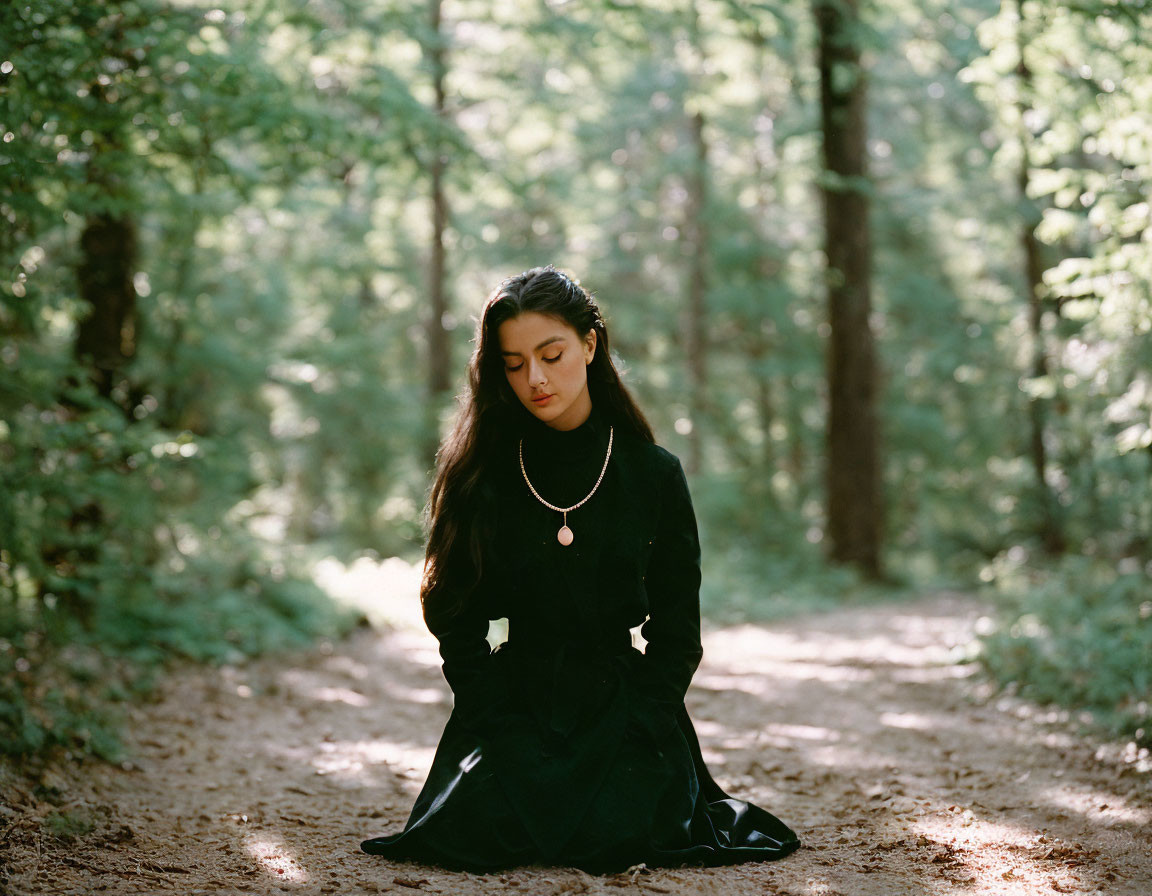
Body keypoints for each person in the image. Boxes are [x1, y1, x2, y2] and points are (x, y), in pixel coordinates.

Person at [360, 265, 800, 873]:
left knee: (625, 828)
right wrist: (490, 710)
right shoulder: (480, 475)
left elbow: (678, 629)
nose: (535, 378)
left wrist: (646, 719)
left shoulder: (653, 474)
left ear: (590, 345)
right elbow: (453, 614)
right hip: (510, 702)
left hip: (625, 703)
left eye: (552, 353)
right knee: (478, 833)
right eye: (514, 364)